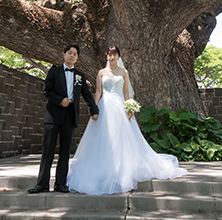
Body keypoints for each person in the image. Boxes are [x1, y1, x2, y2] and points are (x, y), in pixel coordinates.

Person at [66, 46, 187, 195]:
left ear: (119, 56)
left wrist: (129, 108)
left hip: (119, 107)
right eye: (109, 55)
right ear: (106, 56)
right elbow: (98, 92)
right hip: (104, 107)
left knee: (121, 138)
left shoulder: (124, 72)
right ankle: (104, 167)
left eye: (114, 55)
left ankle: (121, 169)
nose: (112, 57)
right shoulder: (101, 73)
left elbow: (126, 92)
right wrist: (94, 109)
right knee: (102, 138)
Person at [28, 44, 99, 194]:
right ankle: (42, 184)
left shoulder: (80, 75)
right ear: (64, 54)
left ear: (77, 58)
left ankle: (61, 184)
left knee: (65, 152)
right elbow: (47, 91)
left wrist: (94, 110)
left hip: (70, 116)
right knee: (48, 150)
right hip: (53, 115)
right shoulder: (54, 71)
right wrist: (60, 100)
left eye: (75, 54)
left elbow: (86, 94)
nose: (72, 56)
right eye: (70, 53)